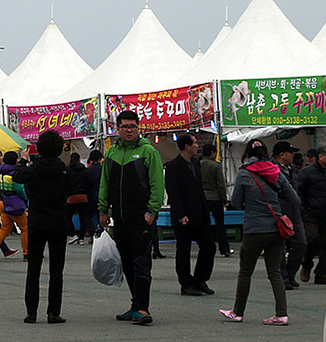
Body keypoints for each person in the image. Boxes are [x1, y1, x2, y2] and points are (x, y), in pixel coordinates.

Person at [219, 140, 299, 326]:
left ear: (247, 154)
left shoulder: (245, 174)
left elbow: (236, 202)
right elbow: (293, 198)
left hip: (254, 228)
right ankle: (281, 314)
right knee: (275, 271)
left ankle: (238, 311)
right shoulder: (275, 172)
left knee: (246, 271)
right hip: (276, 227)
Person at [98, 110, 164, 326]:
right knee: (126, 262)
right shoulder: (111, 153)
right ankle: (135, 305)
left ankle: (143, 308)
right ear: (117, 129)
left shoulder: (148, 152)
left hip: (141, 218)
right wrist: (103, 210)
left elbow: (157, 184)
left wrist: (151, 212)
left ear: (138, 128)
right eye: (124, 126)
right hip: (120, 218)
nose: (128, 130)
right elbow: (104, 184)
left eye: (132, 126)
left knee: (142, 262)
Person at [19, 130, 71, 324]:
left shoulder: (33, 169)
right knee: (57, 269)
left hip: (36, 221)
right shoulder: (64, 170)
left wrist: (24, 160)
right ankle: (53, 312)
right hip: (58, 222)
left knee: (34, 267)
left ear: (39, 148)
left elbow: (18, 177)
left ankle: (31, 312)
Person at [166, 134, 215, 297]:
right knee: (183, 250)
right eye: (194, 143)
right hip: (184, 215)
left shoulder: (196, 163)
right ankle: (186, 283)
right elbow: (173, 192)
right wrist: (180, 214)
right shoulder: (173, 166)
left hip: (200, 212)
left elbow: (199, 188)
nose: (197, 146)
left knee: (209, 246)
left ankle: (200, 279)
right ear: (186, 146)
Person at [295, 144, 326, 286]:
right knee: (312, 239)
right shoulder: (306, 172)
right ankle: (307, 264)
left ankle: (322, 273)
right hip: (311, 213)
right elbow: (299, 192)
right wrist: (303, 210)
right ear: (321, 157)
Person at [0, 151, 29, 262]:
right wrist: (25, 198)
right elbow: (19, 189)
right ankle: (27, 253)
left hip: (4, 203)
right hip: (15, 204)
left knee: (4, 229)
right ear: (14, 161)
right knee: (25, 228)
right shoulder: (14, 173)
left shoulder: (2, 172)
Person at [272, 141, 305, 289]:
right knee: (279, 247)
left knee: (301, 244)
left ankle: (290, 274)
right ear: (282, 155)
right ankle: (283, 277)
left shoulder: (292, 169)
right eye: (291, 152)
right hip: (279, 213)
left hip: (295, 212)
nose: (294, 155)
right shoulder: (272, 169)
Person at [199, 142, 232, 257]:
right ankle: (224, 248)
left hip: (202, 198)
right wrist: (224, 199)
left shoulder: (198, 165)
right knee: (220, 225)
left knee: (204, 224)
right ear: (213, 153)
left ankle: (204, 246)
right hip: (215, 198)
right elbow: (221, 184)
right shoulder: (216, 166)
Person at [66, 151, 92, 244]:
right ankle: (81, 238)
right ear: (79, 159)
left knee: (67, 216)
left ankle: (73, 234)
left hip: (72, 196)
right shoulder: (84, 170)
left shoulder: (68, 170)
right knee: (83, 218)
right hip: (83, 196)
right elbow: (89, 181)